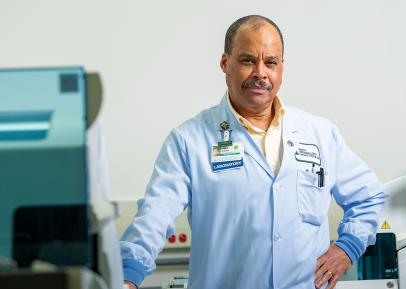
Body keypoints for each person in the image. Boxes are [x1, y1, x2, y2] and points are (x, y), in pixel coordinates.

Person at [120, 15, 387, 289]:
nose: (260, 72)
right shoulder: (189, 140)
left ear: (281, 68)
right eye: (248, 60)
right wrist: (129, 275)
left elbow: (369, 197)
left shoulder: (319, 134)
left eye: (270, 62)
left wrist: (347, 248)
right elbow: (155, 214)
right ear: (226, 63)